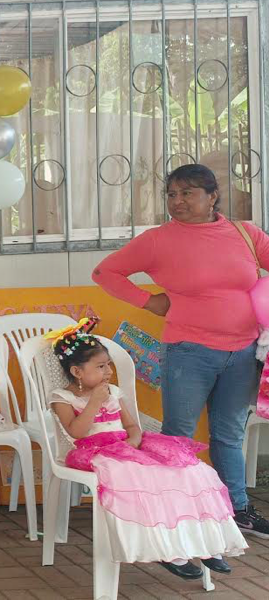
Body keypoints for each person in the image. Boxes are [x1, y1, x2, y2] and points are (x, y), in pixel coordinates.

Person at [93, 164, 269, 545]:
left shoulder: (245, 233)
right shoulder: (158, 240)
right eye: (172, 194)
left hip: (242, 352)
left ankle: (237, 510)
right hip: (188, 352)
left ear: (212, 196)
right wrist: (149, 301)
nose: (177, 201)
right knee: (178, 437)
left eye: (187, 193)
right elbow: (105, 273)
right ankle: (177, 518)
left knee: (229, 434)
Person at [46, 319, 246, 577]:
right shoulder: (63, 398)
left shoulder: (113, 392)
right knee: (139, 475)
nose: (108, 372)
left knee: (187, 469)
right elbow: (76, 431)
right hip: (97, 451)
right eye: (101, 366)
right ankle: (166, 551)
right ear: (77, 371)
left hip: (127, 446)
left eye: (109, 365)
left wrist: (133, 440)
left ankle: (208, 544)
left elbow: (132, 425)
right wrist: (94, 402)